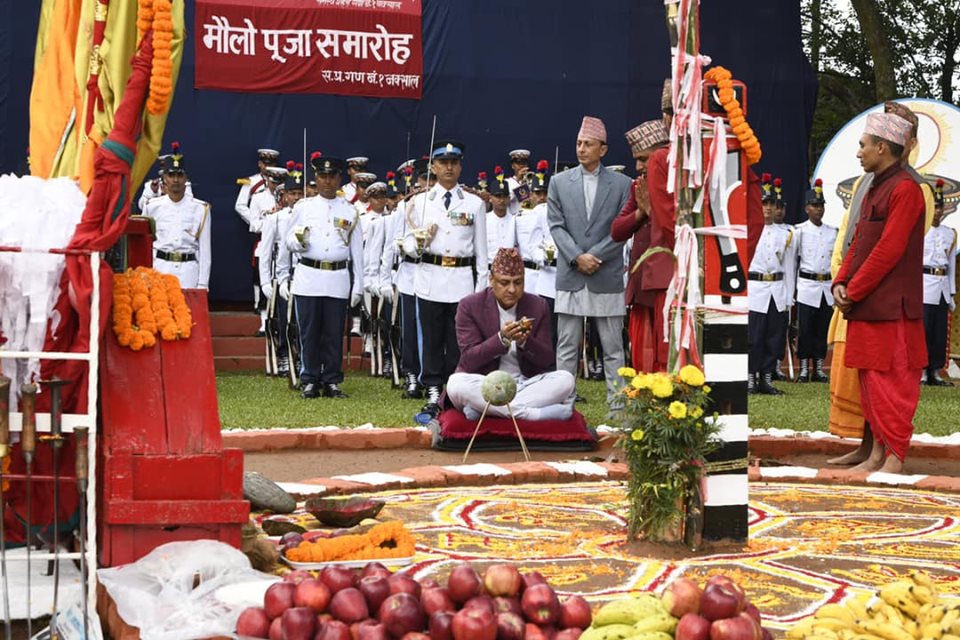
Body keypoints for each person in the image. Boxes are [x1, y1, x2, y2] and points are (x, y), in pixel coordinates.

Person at [826, 100, 935, 463]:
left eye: (862, 145)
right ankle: (871, 452)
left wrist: (852, 291)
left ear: (882, 148)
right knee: (870, 380)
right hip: (867, 302)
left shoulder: (907, 190)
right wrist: (840, 281)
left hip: (891, 306)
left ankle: (893, 458)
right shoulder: (875, 185)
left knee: (892, 383)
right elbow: (858, 240)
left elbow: (889, 250)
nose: (858, 153)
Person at [547, 116, 631, 408]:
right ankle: (562, 406)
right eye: (579, 143)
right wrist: (576, 257)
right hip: (571, 274)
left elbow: (623, 228)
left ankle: (619, 409)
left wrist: (595, 256)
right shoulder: (558, 182)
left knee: (613, 347)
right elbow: (556, 226)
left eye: (588, 144)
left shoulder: (623, 184)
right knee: (567, 346)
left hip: (605, 275)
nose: (581, 149)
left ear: (603, 150)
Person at [402, 139, 488, 414]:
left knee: (458, 340)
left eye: (454, 163)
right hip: (430, 275)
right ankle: (432, 388)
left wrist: (481, 288)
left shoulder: (474, 204)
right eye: (443, 163)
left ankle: (454, 389)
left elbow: (482, 252)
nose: (449, 168)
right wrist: (419, 242)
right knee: (430, 337)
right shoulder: (420, 202)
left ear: (461, 166)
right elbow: (406, 244)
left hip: (462, 278)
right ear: (434, 167)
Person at [446, 248, 576, 421]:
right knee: (455, 384)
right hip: (484, 383)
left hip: (525, 384)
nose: (512, 290)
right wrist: (501, 339)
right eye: (504, 283)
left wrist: (525, 342)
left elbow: (547, 360)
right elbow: (469, 359)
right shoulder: (469, 306)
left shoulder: (538, 305)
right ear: (491, 280)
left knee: (566, 379)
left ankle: (485, 410)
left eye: (518, 282)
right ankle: (532, 414)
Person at [283, 153, 363, 399]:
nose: (327, 181)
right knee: (308, 331)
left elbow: (357, 250)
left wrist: (358, 284)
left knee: (333, 332)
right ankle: (309, 378)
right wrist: (299, 243)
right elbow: (287, 240)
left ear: (339, 178)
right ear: (315, 178)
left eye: (331, 176)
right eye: (322, 176)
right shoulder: (303, 207)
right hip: (309, 274)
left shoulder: (350, 211)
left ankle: (331, 379)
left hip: (337, 275)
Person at [612, 119, 669, 372]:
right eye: (636, 159)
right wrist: (641, 212)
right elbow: (617, 231)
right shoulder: (639, 186)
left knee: (665, 352)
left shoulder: (675, 187)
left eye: (644, 159)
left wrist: (651, 209)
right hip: (641, 282)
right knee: (641, 355)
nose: (639, 166)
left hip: (666, 284)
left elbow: (675, 228)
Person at [747, 174, 796, 395]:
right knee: (753, 337)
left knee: (773, 338)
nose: (767, 208)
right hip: (755, 289)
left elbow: (788, 268)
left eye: (770, 204)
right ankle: (750, 378)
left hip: (776, 289)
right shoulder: (748, 229)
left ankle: (766, 379)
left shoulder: (786, 234)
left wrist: (788, 299)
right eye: (763, 203)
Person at [143, 142, 212, 290]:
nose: (175, 180)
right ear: (164, 179)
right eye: (171, 175)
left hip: (188, 273)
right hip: (160, 269)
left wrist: (203, 284)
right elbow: (145, 245)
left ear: (186, 178)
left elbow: (205, 250)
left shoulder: (200, 209)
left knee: (187, 313)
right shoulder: (152, 207)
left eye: (179, 175)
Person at [258, 161, 305, 376]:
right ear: (283, 195)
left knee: (302, 319)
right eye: (292, 193)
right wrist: (266, 281)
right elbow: (265, 253)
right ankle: (285, 354)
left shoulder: (308, 216)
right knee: (283, 319)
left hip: (304, 272)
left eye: (299, 193)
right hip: (282, 275)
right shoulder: (275, 219)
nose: (295, 197)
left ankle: (303, 356)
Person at [793, 179, 837, 383]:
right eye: (814, 206)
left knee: (822, 327)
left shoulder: (832, 232)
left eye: (821, 206)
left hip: (825, 285)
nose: (818, 209)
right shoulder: (799, 231)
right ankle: (803, 367)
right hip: (807, 285)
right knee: (805, 328)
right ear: (806, 208)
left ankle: (818, 367)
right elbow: (793, 262)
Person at [921, 179, 956, 386]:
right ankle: (922, 372)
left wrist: (951, 294)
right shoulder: (920, 232)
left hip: (942, 285)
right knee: (923, 331)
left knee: (938, 332)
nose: (938, 212)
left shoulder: (950, 233)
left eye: (941, 207)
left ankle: (934, 369)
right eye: (935, 207)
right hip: (924, 286)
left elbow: (950, 266)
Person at [516, 160, 548, 299]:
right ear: (530, 195)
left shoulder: (557, 218)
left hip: (548, 275)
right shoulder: (520, 218)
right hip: (527, 275)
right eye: (538, 193)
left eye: (545, 193)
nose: (542, 197)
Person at [486, 169, 518, 259]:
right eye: (498, 196)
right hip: (489, 269)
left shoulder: (515, 221)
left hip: (510, 270)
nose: (501, 200)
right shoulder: (484, 220)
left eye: (504, 196)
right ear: (490, 198)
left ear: (509, 199)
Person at [506, 149, 531, 216]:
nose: (521, 165)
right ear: (512, 165)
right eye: (518, 162)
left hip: (530, 218)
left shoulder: (532, 179)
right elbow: (506, 201)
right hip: (514, 218)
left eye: (524, 162)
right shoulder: (507, 182)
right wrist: (518, 179)